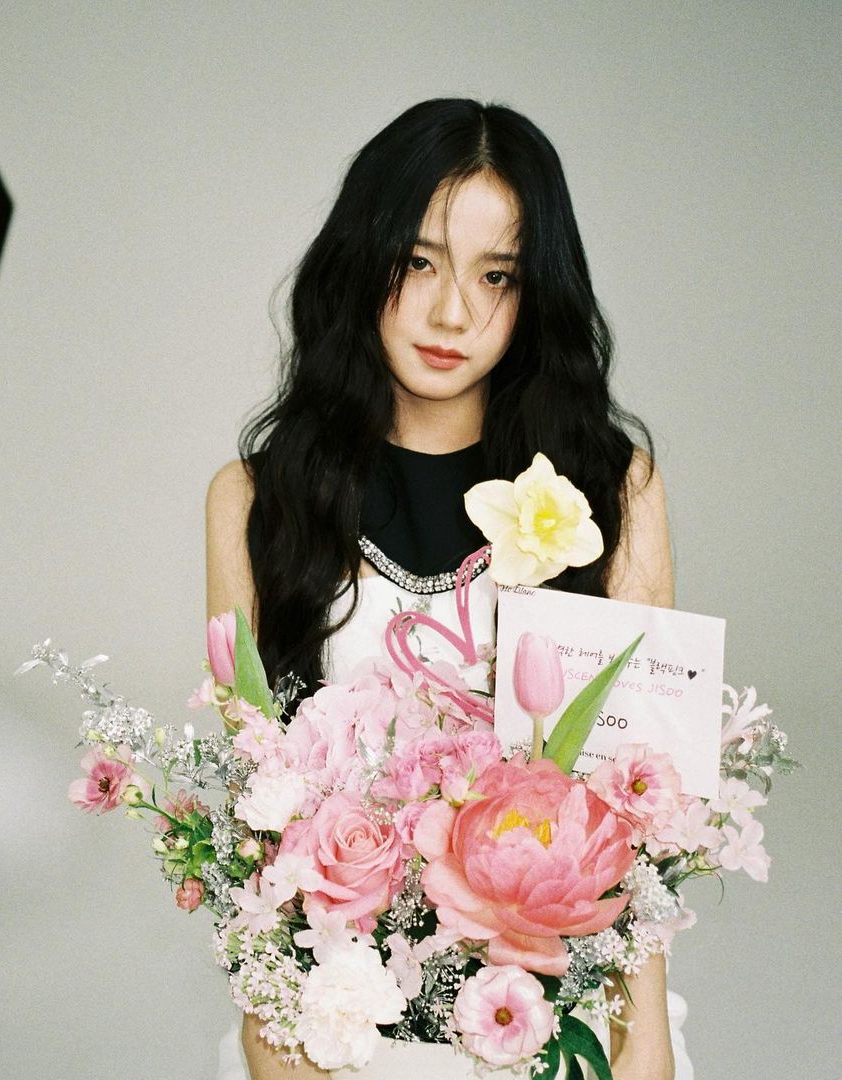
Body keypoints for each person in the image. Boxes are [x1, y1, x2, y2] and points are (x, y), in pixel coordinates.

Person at [206, 99, 687, 1080]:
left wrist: (644, 1051)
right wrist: (272, 1035)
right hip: (342, 1026)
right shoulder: (255, 499)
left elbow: (639, 818)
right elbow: (256, 810)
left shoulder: (613, 489)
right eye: (418, 263)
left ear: (536, 292)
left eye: (495, 274)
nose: (453, 313)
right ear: (361, 262)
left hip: (559, 1020)